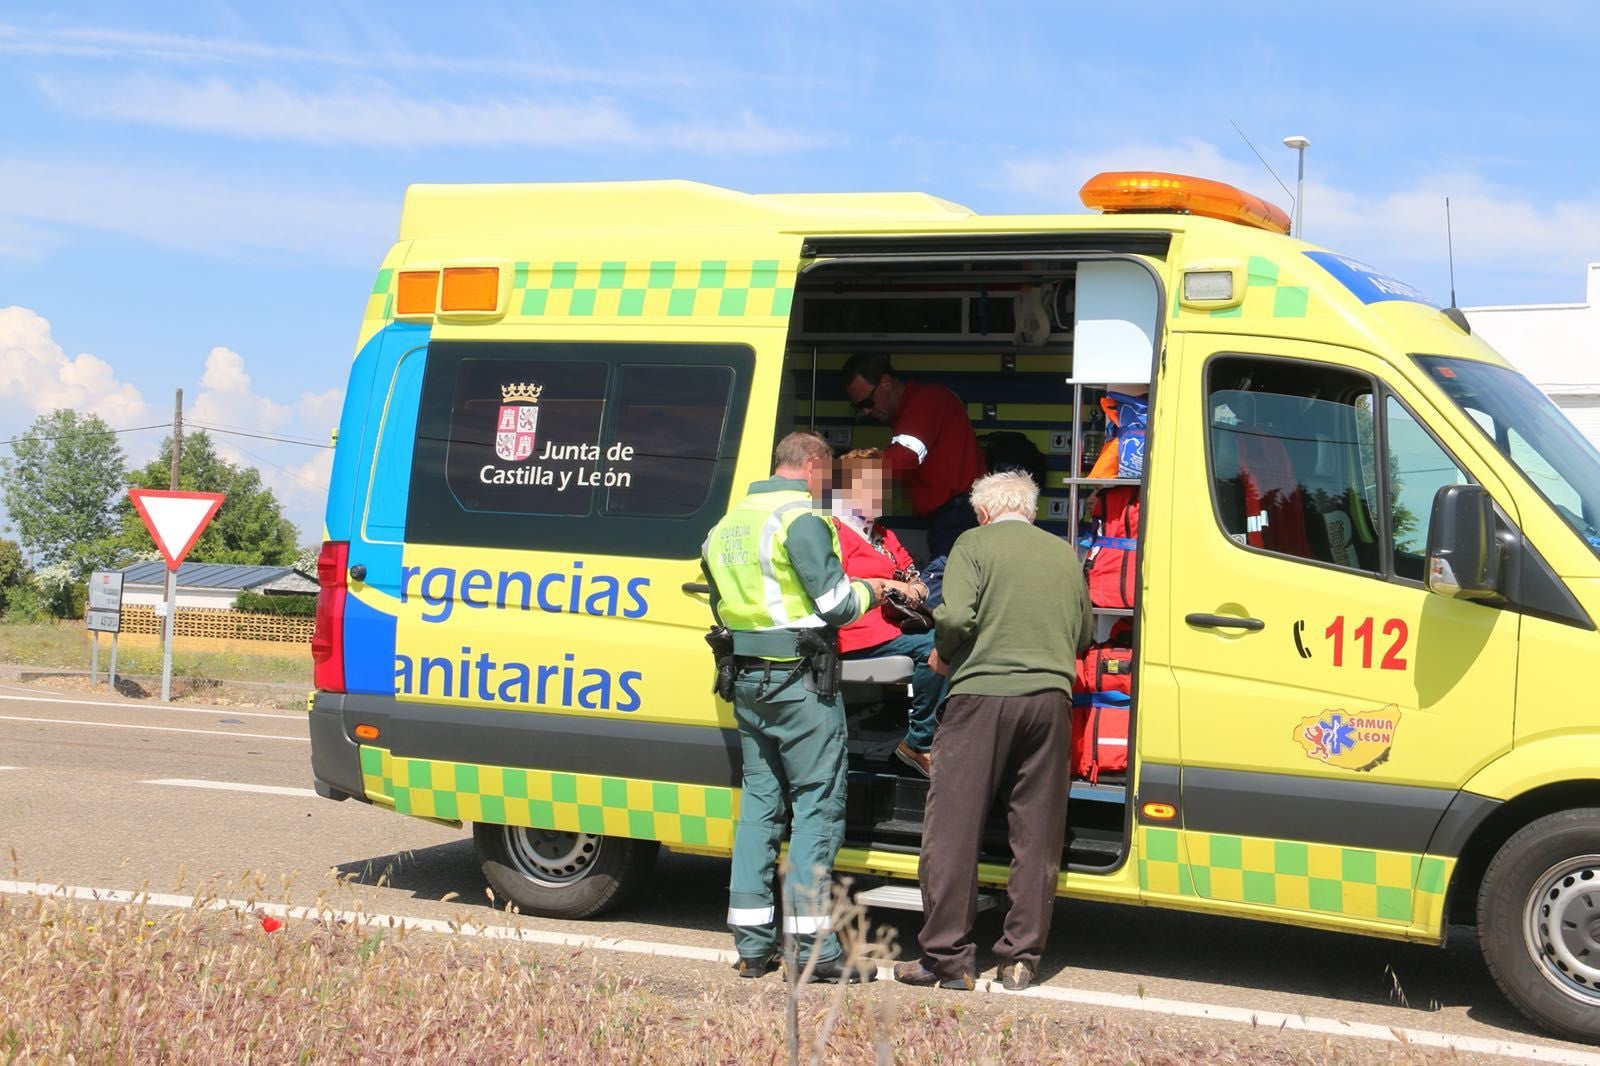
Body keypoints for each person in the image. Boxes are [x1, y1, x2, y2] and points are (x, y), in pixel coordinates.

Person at [701, 431, 893, 984]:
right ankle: (815, 951)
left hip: (747, 682)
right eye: (826, 474)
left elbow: (722, 602)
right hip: (801, 685)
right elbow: (835, 604)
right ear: (811, 466)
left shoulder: (727, 523)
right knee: (816, 807)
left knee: (761, 805)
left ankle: (753, 946)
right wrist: (877, 591)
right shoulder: (800, 518)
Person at [892, 470, 1093, 993]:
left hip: (981, 697)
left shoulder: (973, 544)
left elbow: (955, 616)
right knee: (1037, 830)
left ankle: (948, 959)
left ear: (983, 512)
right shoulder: (1064, 554)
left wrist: (943, 653)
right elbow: (1085, 633)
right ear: (1028, 509)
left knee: (954, 828)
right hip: (1050, 701)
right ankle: (1021, 959)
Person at [830, 448, 948, 777]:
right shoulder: (834, 530)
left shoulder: (883, 533)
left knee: (953, 633)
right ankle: (920, 743)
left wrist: (917, 588)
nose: (880, 494)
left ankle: (933, 738)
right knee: (936, 645)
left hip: (895, 623)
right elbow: (835, 584)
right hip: (858, 629)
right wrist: (890, 586)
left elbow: (912, 571)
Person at [840, 354, 986, 601]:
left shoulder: (926, 402)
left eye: (866, 401)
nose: (865, 412)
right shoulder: (914, 410)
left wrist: (828, 484)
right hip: (950, 516)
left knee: (937, 596)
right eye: (858, 407)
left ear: (885, 382)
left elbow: (904, 459)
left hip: (959, 516)